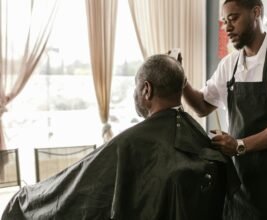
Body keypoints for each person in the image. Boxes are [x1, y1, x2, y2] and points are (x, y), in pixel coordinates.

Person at [2, 54, 239, 220]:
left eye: (136, 88)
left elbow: (71, 195)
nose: (135, 94)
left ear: (146, 89)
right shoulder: (203, 141)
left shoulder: (128, 144)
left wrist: (23, 200)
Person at [182, 0, 267, 219]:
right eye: (224, 21)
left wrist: (240, 145)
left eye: (233, 18)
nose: (227, 27)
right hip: (237, 187)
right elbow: (201, 106)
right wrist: (180, 78)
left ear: (256, 12)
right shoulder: (229, 64)